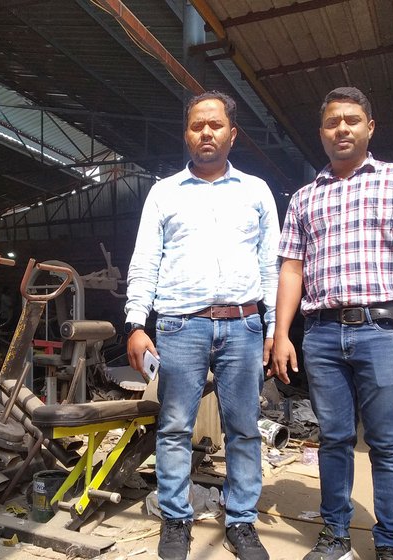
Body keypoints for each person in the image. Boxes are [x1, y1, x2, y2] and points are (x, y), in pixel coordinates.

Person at [270, 87, 393, 560]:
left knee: (388, 442)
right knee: (334, 438)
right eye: (332, 122)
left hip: (383, 329)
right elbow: (291, 269)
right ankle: (336, 537)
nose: (341, 128)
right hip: (323, 333)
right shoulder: (305, 198)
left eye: (351, 120)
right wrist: (282, 334)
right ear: (321, 134)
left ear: (370, 127)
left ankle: (389, 545)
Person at [124, 90, 280, 560]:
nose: (206, 132)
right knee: (174, 427)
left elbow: (270, 264)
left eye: (215, 125)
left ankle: (242, 521)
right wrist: (135, 322)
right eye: (197, 126)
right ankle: (176, 519)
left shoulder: (256, 191)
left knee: (244, 428)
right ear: (186, 133)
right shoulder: (163, 193)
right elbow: (145, 260)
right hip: (178, 326)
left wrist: (273, 327)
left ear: (233, 133)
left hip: (244, 326)